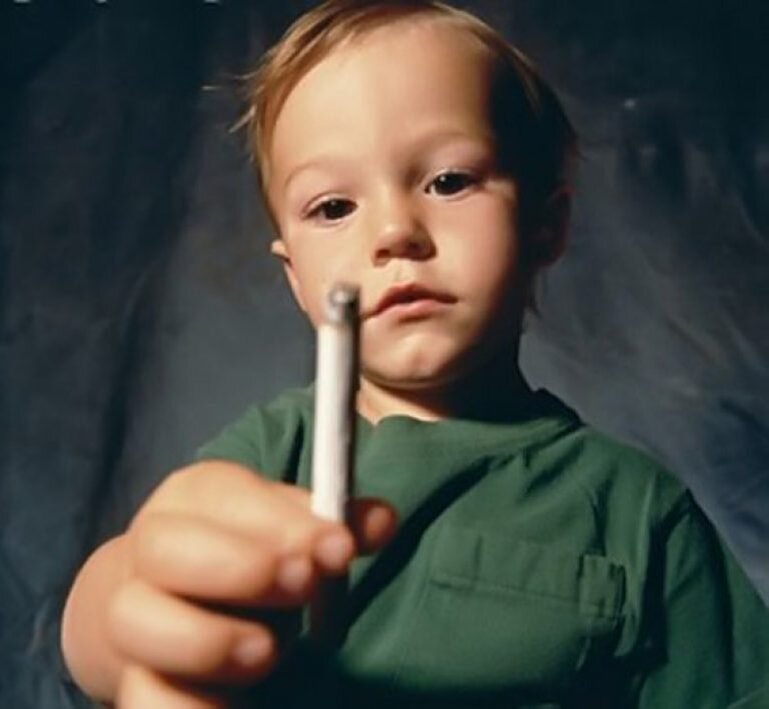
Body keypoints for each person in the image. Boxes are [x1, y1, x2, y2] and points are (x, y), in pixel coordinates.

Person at [60, 1, 769, 707]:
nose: (395, 231)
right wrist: (121, 611)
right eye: (333, 207)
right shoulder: (269, 459)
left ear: (545, 224)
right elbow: (119, 601)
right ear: (296, 278)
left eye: (449, 181)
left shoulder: (638, 511)